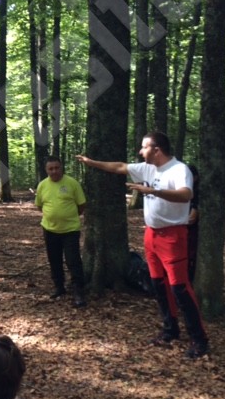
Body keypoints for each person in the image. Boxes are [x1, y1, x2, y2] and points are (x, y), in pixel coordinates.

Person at [76, 131, 209, 358]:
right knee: (158, 283)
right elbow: (119, 167)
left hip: (173, 235)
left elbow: (186, 195)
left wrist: (153, 191)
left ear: (156, 149)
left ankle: (199, 339)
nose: (140, 151)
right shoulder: (147, 168)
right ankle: (170, 329)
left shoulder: (179, 169)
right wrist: (91, 163)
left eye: (144, 147)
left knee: (180, 286)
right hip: (151, 235)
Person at [34, 156, 87, 307]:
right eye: (51, 169)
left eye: (57, 168)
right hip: (50, 229)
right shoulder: (42, 185)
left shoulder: (72, 183)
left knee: (73, 261)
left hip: (70, 230)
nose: (54, 171)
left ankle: (78, 292)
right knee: (54, 260)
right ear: (46, 170)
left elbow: (81, 205)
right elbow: (39, 206)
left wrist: (69, 216)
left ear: (61, 167)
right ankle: (59, 287)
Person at [187, 164, 199, 283]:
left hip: (193, 230)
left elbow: (192, 218)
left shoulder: (197, 191)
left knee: (191, 254)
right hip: (184, 229)